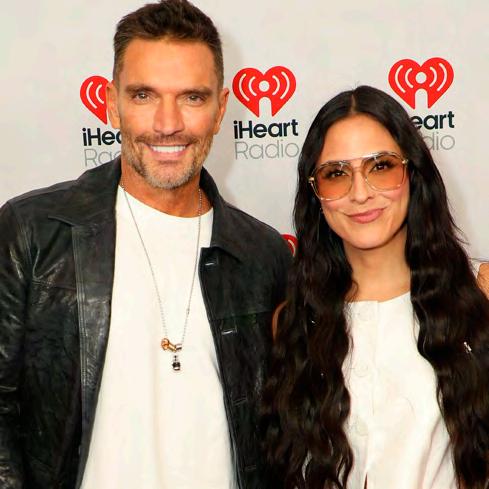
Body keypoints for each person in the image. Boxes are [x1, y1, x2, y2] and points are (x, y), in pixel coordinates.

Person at [0, 1, 291, 488]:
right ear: (111, 103)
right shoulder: (34, 232)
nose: (167, 123)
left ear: (221, 110)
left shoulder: (263, 255)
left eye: (192, 97)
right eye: (143, 95)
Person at [262, 85, 489, 489]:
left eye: (381, 166)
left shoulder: (478, 299)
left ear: (413, 172)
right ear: (315, 193)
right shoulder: (294, 322)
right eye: (336, 174)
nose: (361, 193)